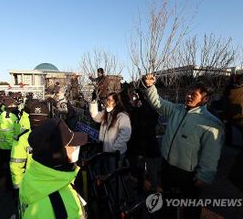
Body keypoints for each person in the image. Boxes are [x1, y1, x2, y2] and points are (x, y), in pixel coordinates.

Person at [143, 74, 224, 219]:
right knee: (168, 202)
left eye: (194, 94)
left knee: (190, 207)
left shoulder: (211, 123)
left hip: (189, 174)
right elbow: (158, 103)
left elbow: (210, 155)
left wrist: (204, 176)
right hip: (167, 166)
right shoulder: (177, 109)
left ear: (205, 99)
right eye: (188, 92)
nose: (188, 95)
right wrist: (150, 86)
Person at [19, 118, 88, 218]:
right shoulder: (63, 207)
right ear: (58, 155)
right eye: (71, 145)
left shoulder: (32, 177)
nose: (75, 148)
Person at [126, 89, 161, 193]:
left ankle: (154, 188)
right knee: (140, 169)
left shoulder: (149, 111)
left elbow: (151, 113)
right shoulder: (137, 110)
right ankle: (141, 186)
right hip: (140, 147)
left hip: (149, 146)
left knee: (151, 170)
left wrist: (142, 99)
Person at [89, 92, 131, 170]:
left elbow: (125, 134)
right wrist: (94, 102)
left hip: (115, 152)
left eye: (109, 100)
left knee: (113, 173)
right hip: (106, 150)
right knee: (107, 171)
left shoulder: (122, 116)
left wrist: (114, 148)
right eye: (107, 99)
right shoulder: (106, 113)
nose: (107, 102)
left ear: (116, 102)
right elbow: (96, 117)